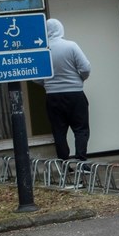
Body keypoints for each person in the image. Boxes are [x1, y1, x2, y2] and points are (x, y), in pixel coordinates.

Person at [37, 18, 91, 162]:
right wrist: (80, 79)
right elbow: (85, 68)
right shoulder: (71, 46)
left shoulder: (42, 49)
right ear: (61, 29)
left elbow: (35, 76)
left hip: (52, 96)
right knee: (81, 129)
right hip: (75, 94)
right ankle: (81, 161)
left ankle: (64, 164)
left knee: (59, 131)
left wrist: (48, 84)